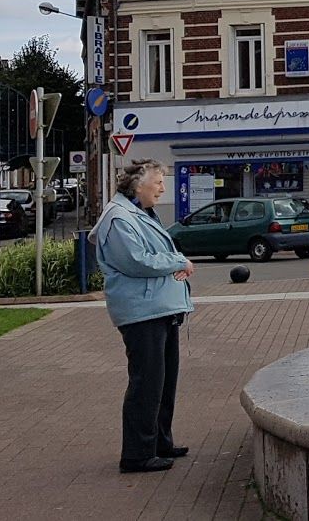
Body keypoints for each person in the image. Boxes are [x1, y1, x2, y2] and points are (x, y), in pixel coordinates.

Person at [89, 159, 194, 474]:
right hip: (142, 312)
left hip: (158, 308)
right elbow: (137, 261)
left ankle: (159, 442)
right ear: (138, 185)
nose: (162, 188)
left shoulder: (141, 213)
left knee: (163, 382)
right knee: (146, 383)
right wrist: (178, 262)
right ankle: (137, 454)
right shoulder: (118, 218)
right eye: (158, 182)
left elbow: (151, 257)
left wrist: (175, 263)